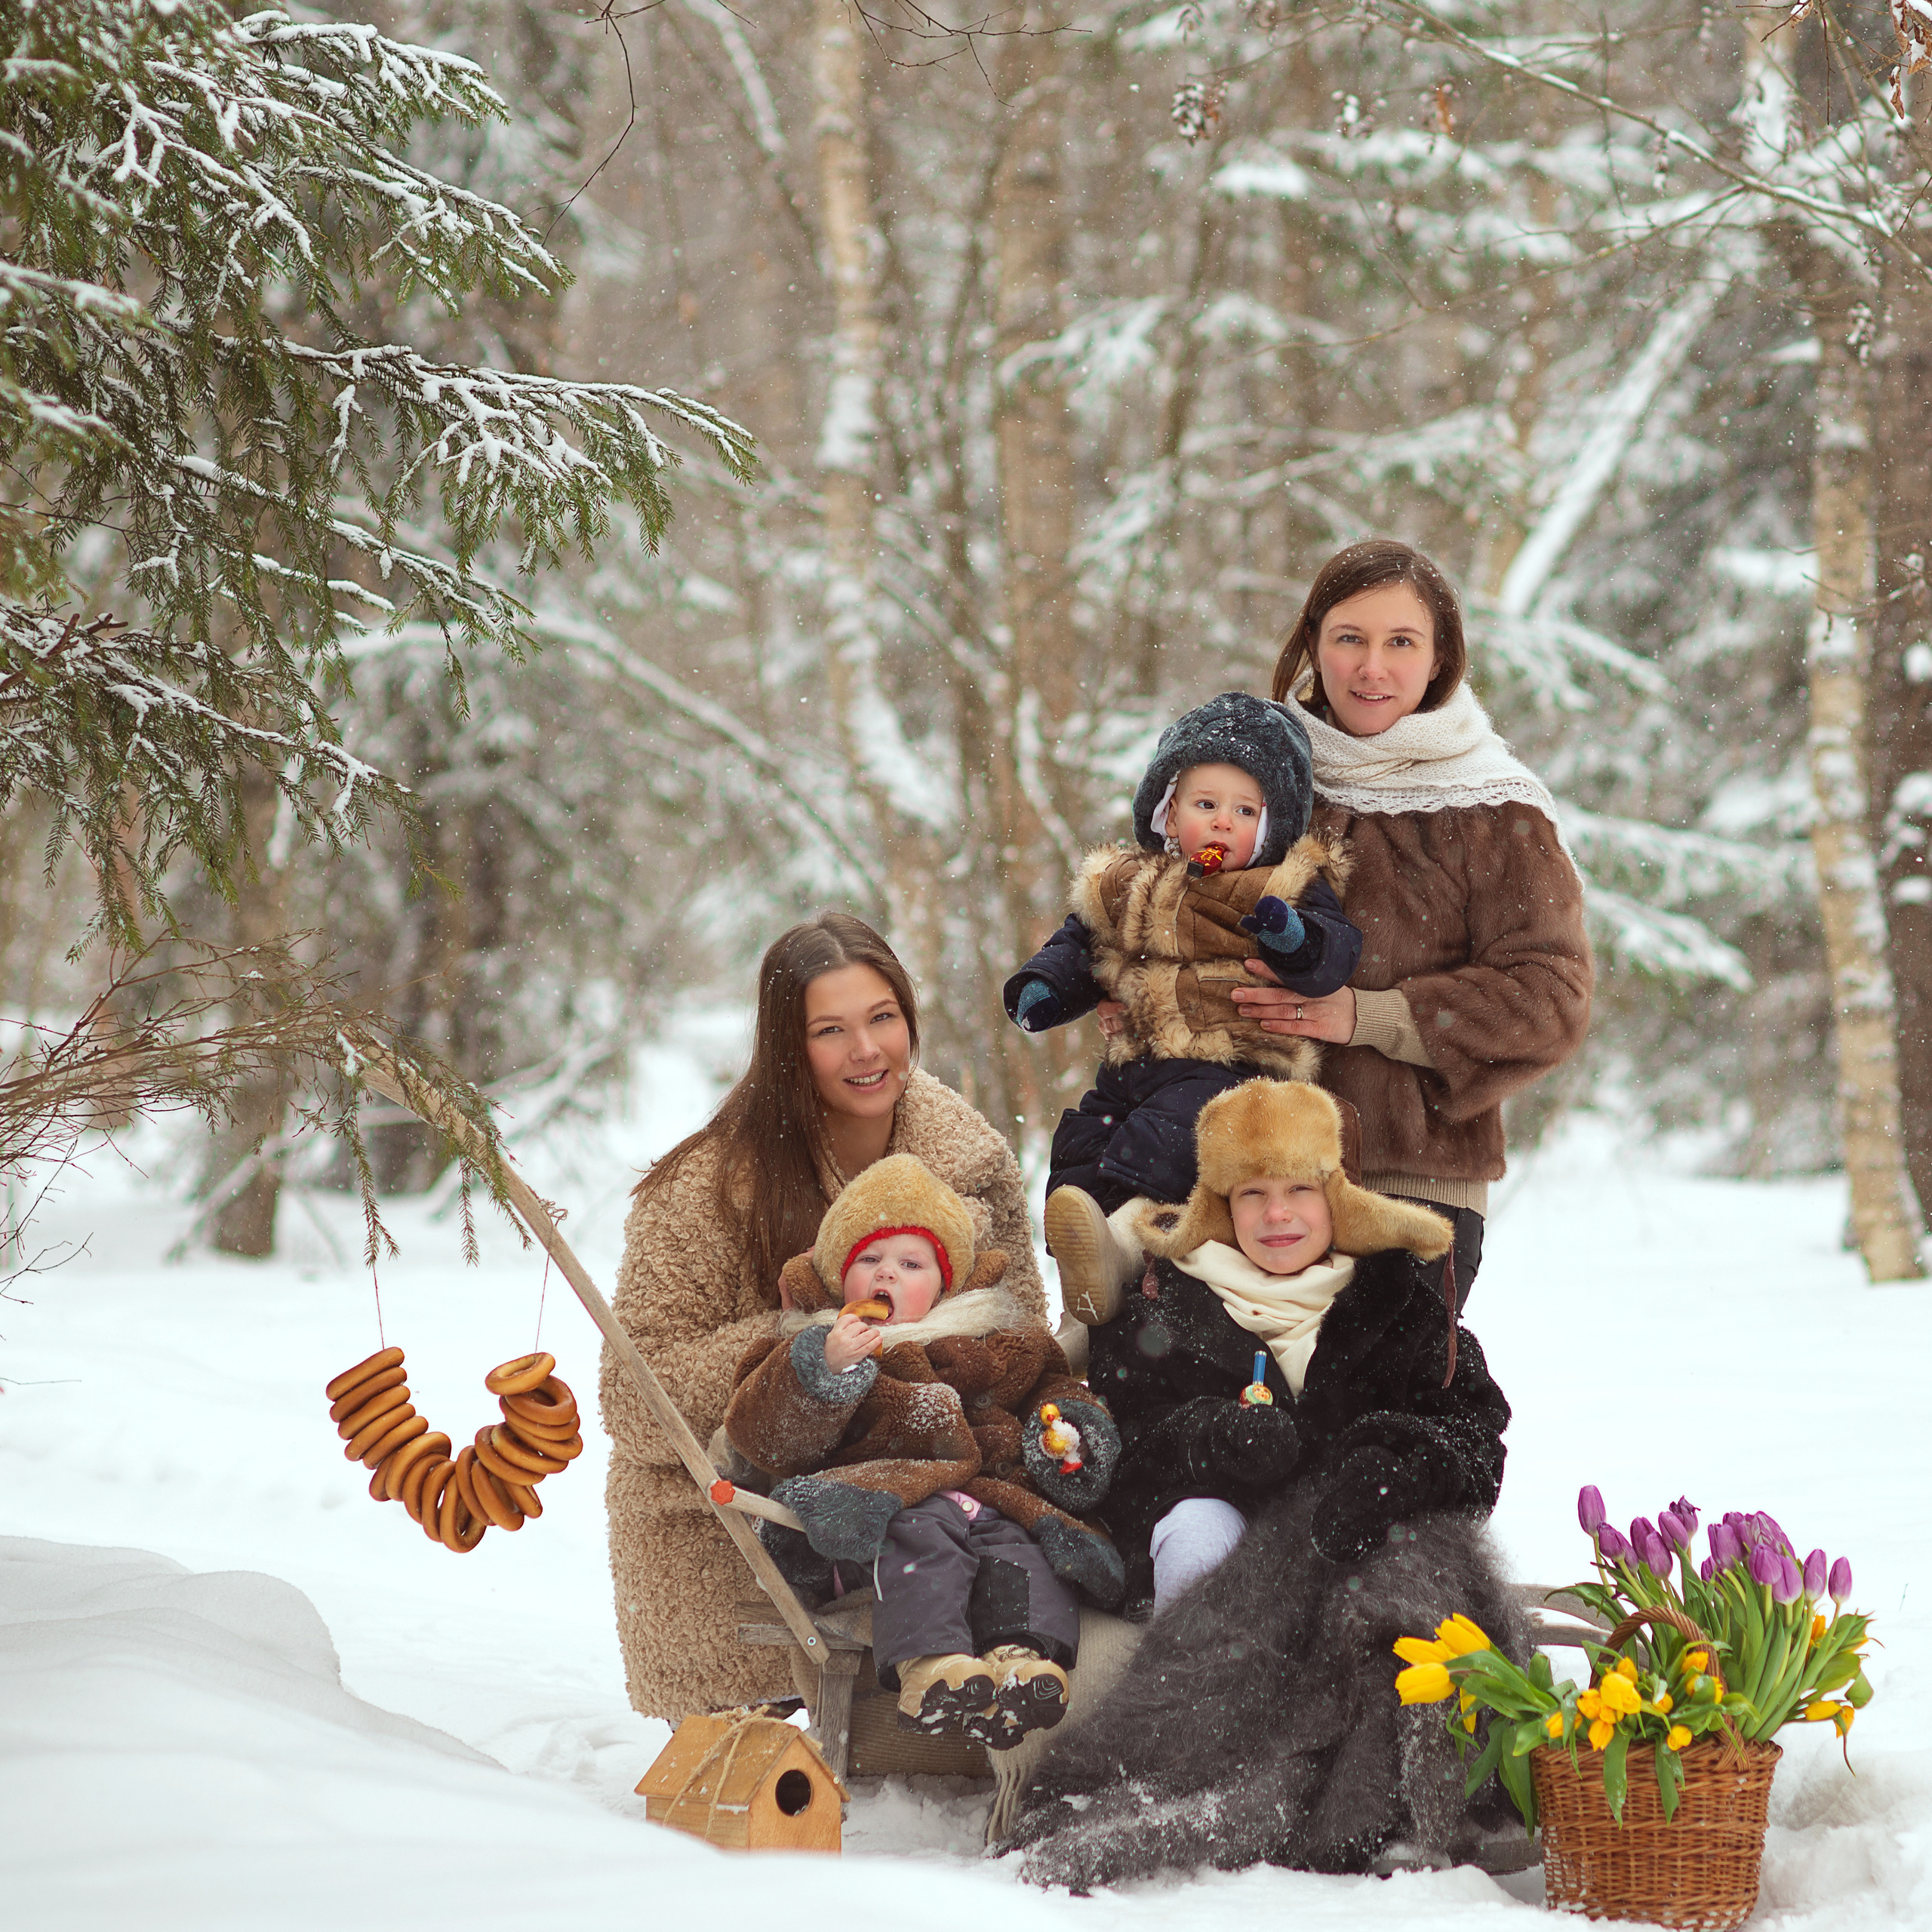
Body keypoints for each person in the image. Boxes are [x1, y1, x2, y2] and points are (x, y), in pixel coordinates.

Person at [1002, 1078, 1526, 1887]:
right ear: (1221, 1202)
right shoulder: (1166, 1303)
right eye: (1254, 1194)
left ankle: (1382, 1782)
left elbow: (1472, 1439)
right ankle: (1208, 1750)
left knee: (1416, 1558)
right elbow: (1118, 1463)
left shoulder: (1399, 1298)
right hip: (1230, 1576)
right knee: (1199, 1522)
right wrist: (1207, 1439)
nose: (1277, 1215)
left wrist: (1395, 1468)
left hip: (1356, 1546)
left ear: (1334, 1193)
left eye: (1298, 1191)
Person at [601, 913, 1048, 1721]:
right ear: (786, 1047)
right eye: (830, 1030)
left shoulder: (970, 1165)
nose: (866, 1050)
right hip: (748, 1523)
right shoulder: (708, 1188)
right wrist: (805, 1343)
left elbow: (1024, 1337)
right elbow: (634, 1400)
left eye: (882, 1018)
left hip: (933, 1499)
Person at [1217, 539, 1595, 1303]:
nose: (1371, 668)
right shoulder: (1251, 779)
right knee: (1238, 1420)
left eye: (1400, 642)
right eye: (1349, 639)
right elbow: (1171, 919)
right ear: (1313, 643)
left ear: (1439, 657)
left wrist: (1370, 1015)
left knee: (1383, 1422)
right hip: (1247, 1185)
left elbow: (1551, 997)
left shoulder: (1497, 807)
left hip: (1410, 1194)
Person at [721, 1153, 1121, 1749]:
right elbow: (760, 1433)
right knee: (923, 1527)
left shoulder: (996, 1345)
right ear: (836, 1277)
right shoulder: (814, 1342)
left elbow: (1054, 1392)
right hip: (865, 1517)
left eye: (911, 1263)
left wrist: (1064, 1436)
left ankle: (1021, 1659)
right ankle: (931, 1667)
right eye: (869, 1260)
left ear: (946, 1282)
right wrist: (824, 1368)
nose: (887, 1276)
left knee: (1023, 1542)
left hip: (986, 1501)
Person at [1001, 690, 1361, 1315]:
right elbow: (1080, 940)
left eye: (1245, 810)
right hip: (1136, 1063)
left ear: (1271, 827)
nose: (1223, 821)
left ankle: (1123, 1240)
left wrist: (1291, 939)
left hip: (1233, 1064)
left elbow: (1333, 956)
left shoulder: (1279, 887)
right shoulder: (1132, 882)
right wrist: (1047, 989)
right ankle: (1086, 1291)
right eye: (1205, 804)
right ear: (1169, 816)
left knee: (1175, 1133)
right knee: (1088, 1136)